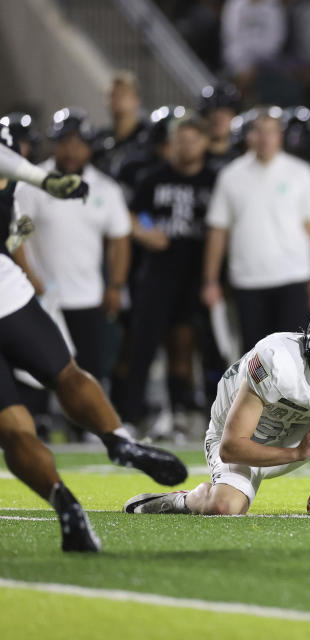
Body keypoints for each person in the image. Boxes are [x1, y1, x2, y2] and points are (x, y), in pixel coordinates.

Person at [0, 127, 187, 552]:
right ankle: (119, 440)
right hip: (6, 290)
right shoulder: (16, 167)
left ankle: (64, 503)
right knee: (66, 372)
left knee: (14, 430)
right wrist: (39, 179)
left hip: (9, 281)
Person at [122, 298, 310, 516]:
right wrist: (296, 454)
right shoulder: (276, 362)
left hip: (298, 439)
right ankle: (187, 500)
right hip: (243, 441)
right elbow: (231, 447)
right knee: (223, 507)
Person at [113, 114, 217, 432]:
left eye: (193, 140)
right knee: (142, 346)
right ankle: (130, 416)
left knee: (189, 346)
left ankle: (185, 410)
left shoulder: (214, 181)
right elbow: (131, 213)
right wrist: (146, 232)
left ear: (205, 143)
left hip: (196, 276)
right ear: (171, 144)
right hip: (157, 274)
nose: (187, 146)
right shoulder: (152, 178)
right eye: (181, 140)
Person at [15, 109, 131, 392]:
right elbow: (16, 236)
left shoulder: (105, 188)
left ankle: (86, 428)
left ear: (89, 146)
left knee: (88, 370)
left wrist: (115, 285)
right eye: (64, 142)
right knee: (37, 370)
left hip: (88, 295)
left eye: (78, 142)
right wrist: (31, 281)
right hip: (43, 295)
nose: (70, 150)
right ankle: (40, 422)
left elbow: (120, 239)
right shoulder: (31, 181)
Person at [202, 108, 310, 353]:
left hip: (294, 276)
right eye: (259, 131)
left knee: (295, 357)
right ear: (249, 136)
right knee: (255, 359)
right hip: (248, 279)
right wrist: (211, 280)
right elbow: (218, 231)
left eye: (271, 132)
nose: (265, 138)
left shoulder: (301, 173)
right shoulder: (231, 176)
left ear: (280, 136)